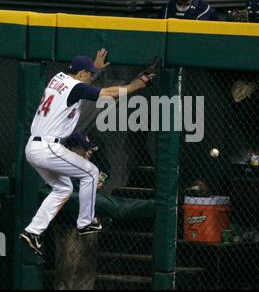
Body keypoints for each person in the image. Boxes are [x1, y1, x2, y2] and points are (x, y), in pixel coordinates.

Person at [19, 48, 158, 255]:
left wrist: (97, 71)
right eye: (89, 73)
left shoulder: (57, 79)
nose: (91, 75)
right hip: (48, 146)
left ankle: (33, 231)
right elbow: (107, 93)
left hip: (33, 147)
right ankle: (85, 222)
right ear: (82, 73)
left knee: (63, 189)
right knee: (91, 172)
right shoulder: (75, 86)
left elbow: (80, 88)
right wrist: (137, 85)